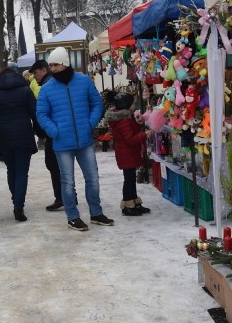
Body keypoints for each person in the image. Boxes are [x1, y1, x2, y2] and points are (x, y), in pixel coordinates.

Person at [36, 47, 113, 231]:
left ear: (64, 63)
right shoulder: (46, 89)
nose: (51, 69)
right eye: (50, 65)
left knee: (92, 178)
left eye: (55, 65)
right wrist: (54, 131)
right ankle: (72, 216)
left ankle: (96, 213)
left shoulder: (84, 81)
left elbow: (96, 103)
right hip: (62, 143)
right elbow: (41, 114)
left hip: (84, 140)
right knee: (67, 182)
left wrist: (90, 123)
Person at [0, 67, 38, 222]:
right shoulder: (25, 91)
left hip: (3, 135)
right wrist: (41, 132)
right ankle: (18, 205)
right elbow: (34, 113)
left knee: (11, 170)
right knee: (22, 171)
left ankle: (16, 199)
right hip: (23, 133)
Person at [29, 59, 72, 212]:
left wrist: (45, 132)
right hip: (59, 130)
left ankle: (62, 197)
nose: (35, 77)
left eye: (36, 73)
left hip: (54, 133)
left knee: (54, 165)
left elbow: (44, 113)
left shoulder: (47, 87)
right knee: (59, 165)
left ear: (44, 70)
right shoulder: (52, 84)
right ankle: (68, 195)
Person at [104, 92, 153, 216]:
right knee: (129, 180)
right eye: (132, 103)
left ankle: (134, 203)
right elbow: (130, 139)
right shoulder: (123, 120)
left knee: (131, 179)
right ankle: (127, 205)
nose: (134, 105)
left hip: (128, 153)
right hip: (127, 154)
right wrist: (145, 134)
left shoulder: (125, 117)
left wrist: (139, 123)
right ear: (127, 105)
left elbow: (131, 131)